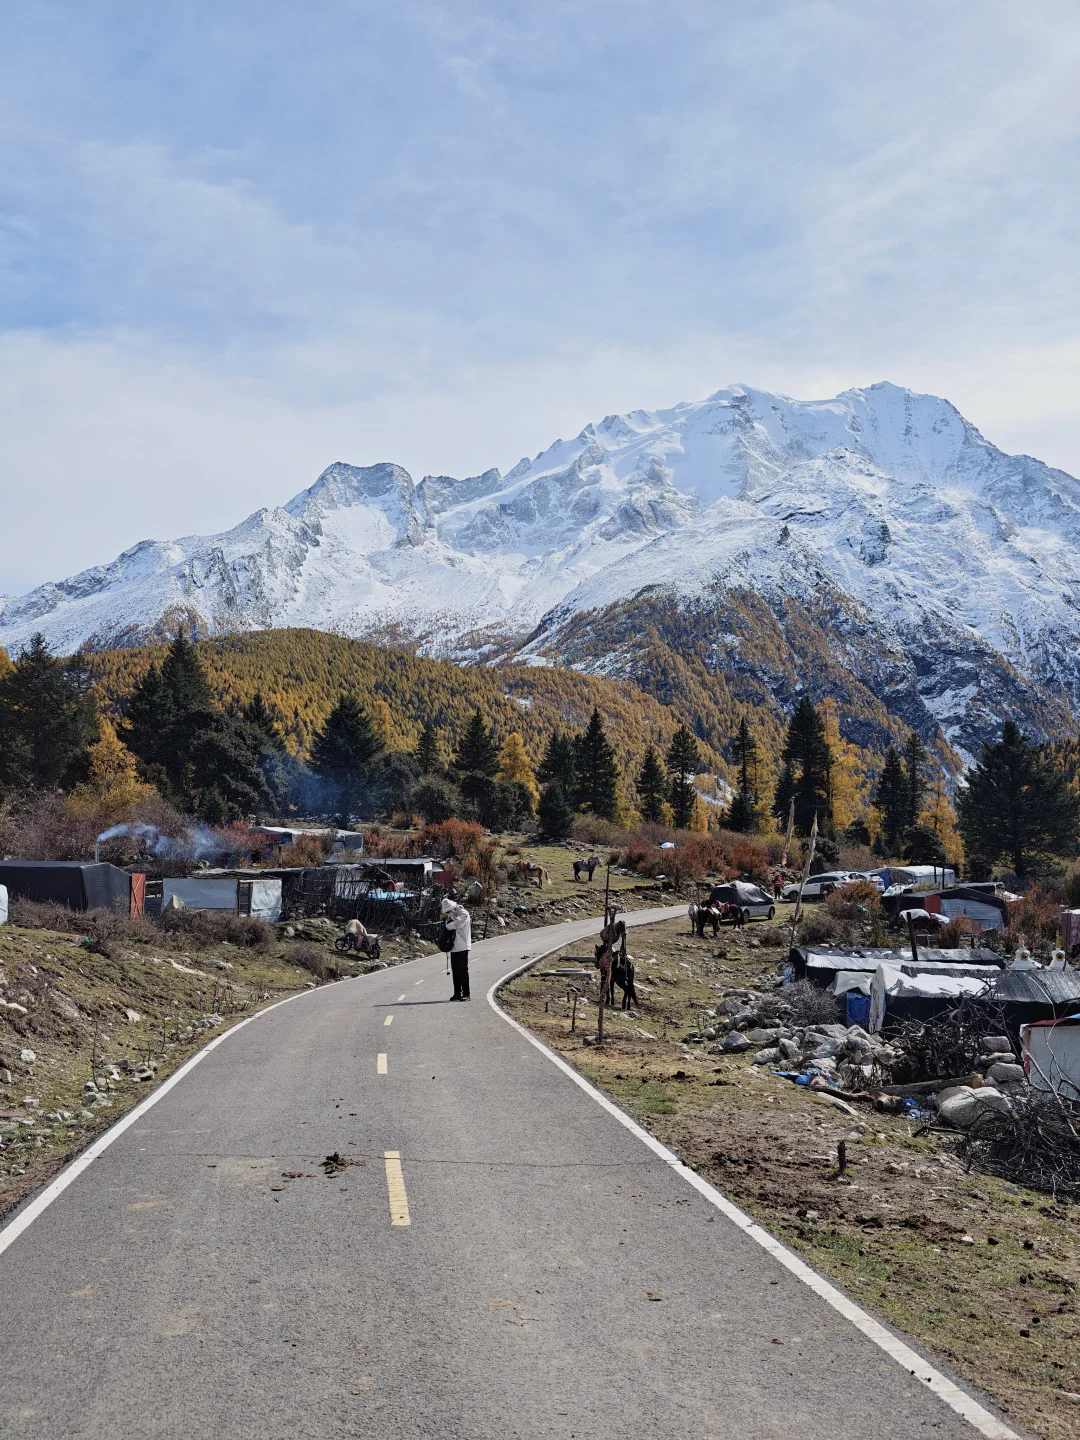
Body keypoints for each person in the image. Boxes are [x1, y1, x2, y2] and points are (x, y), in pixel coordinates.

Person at [441, 896, 472, 1001]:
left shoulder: (463, 914)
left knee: (463, 971)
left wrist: (447, 926)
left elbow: (457, 924)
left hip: (463, 946)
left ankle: (466, 994)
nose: (448, 913)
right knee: (455, 971)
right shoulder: (451, 916)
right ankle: (457, 993)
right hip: (454, 947)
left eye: (449, 911)